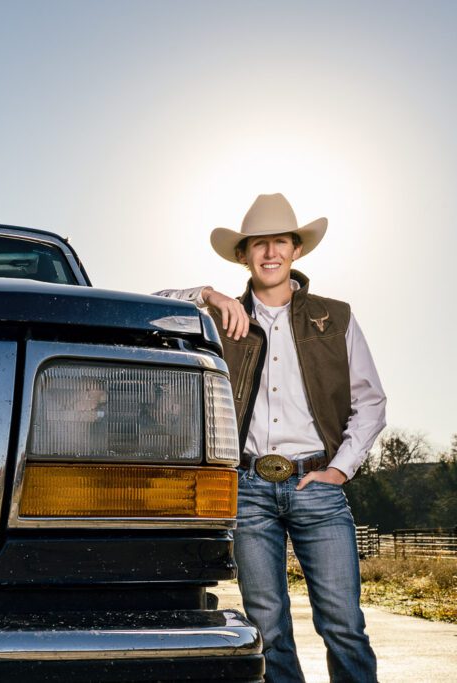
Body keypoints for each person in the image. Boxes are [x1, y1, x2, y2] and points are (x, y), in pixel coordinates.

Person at [156, 193, 386, 682]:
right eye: (258, 245)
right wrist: (207, 295)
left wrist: (340, 469)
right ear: (243, 256)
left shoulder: (335, 317)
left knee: (344, 626)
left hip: (317, 488)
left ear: (296, 250)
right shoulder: (217, 319)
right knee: (268, 628)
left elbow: (371, 402)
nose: (270, 253)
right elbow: (148, 307)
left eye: (280, 242)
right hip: (249, 490)